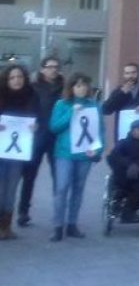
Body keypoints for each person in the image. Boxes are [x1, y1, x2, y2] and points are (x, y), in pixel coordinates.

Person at [48, 73, 104, 241]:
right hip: (64, 153)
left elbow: (99, 131)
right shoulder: (62, 104)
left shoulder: (94, 106)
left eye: (84, 85)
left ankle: (72, 223)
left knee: (78, 189)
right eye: (78, 85)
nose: (81, 89)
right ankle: (58, 225)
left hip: (84, 154)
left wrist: (98, 150)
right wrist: (71, 113)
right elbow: (54, 127)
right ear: (71, 88)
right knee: (62, 188)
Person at [17, 56, 63, 227]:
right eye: (50, 67)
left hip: (56, 137)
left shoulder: (64, 86)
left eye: (56, 66)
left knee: (59, 177)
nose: (53, 69)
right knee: (29, 176)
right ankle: (23, 212)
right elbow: (25, 108)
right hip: (36, 137)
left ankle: (59, 213)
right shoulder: (33, 87)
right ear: (42, 69)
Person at [0, 64, 40, 239]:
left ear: (24, 79)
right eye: (12, 77)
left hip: (18, 154)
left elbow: (38, 120)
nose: (16, 80)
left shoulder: (31, 96)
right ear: (6, 79)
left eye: (19, 77)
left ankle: (6, 227)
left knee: (11, 190)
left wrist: (35, 127)